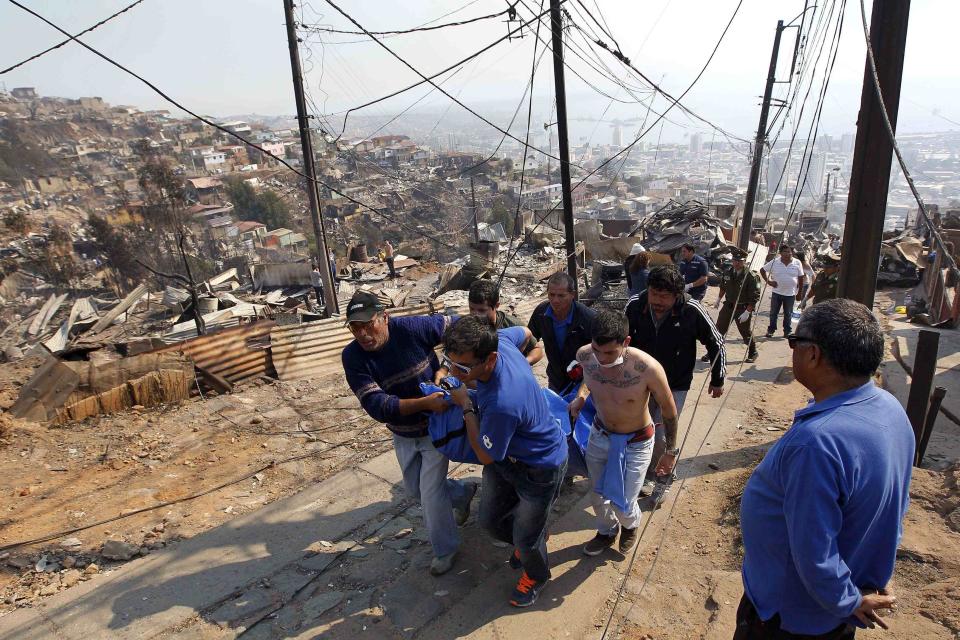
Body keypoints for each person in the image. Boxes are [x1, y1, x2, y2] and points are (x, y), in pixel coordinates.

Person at [736, 299, 913, 639]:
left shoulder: (816, 443)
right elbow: (895, 507)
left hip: (790, 616)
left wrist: (847, 600)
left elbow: (813, 550)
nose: (793, 351)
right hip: (836, 603)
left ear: (813, 354)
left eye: (794, 342)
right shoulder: (888, 407)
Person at [341, 291, 477, 576]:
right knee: (414, 489)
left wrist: (446, 366)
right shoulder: (353, 358)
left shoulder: (412, 328)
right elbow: (377, 405)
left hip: (435, 426)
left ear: (384, 318)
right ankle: (463, 492)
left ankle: (445, 549)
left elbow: (462, 327)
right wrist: (423, 402)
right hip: (403, 432)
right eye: (356, 328)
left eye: (369, 325)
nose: (363, 333)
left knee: (429, 493)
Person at [442, 316, 568, 607]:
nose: (454, 372)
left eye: (462, 367)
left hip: (540, 467)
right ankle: (534, 535)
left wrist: (465, 405)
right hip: (508, 458)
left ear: (490, 359)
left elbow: (485, 455)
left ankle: (536, 575)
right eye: (449, 362)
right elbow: (526, 332)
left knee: (526, 538)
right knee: (489, 521)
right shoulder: (502, 340)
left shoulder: (502, 402)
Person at [568, 309, 678, 556]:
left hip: (636, 442)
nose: (602, 359)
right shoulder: (586, 356)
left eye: (609, 353)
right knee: (597, 494)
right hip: (600, 435)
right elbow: (589, 377)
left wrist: (670, 451)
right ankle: (606, 531)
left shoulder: (647, 368)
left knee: (624, 502)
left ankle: (631, 525)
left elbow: (669, 409)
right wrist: (581, 397)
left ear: (626, 342)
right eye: (597, 350)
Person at [625, 265, 725, 496]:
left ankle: (664, 476)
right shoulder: (635, 306)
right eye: (654, 294)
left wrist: (717, 378)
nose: (658, 301)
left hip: (675, 383)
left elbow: (716, 343)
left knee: (661, 434)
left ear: (677, 295)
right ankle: (648, 473)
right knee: (640, 431)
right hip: (640, 382)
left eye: (665, 296)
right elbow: (620, 340)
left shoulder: (691, 310)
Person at [528, 272, 597, 393]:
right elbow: (529, 340)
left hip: (583, 382)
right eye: (551, 294)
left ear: (572, 295)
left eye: (561, 296)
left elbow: (600, 353)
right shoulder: (541, 313)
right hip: (555, 379)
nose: (555, 300)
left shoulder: (588, 319)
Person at [468, 279, 544, 365]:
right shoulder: (466, 326)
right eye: (472, 309)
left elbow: (537, 350)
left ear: (496, 306)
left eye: (482, 310)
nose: (475, 314)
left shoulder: (512, 325)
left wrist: (521, 364)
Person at [713, 247, 761, 363]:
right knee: (718, 330)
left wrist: (748, 311)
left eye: (740, 261)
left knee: (745, 332)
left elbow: (754, 296)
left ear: (744, 261)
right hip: (728, 306)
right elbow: (723, 287)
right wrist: (718, 299)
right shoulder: (728, 272)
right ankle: (713, 352)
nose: (737, 263)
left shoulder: (751, 276)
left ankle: (753, 351)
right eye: (735, 260)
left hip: (742, 308)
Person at [760, 244, 805, 338]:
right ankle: (771, 330)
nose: (787, 254)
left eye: (789, 252)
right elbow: (762, 270)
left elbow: (801, 278)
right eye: (785, 251)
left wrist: (799, 292)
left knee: (788, 313)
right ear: (780, 253)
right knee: (773, 313)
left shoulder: (797, 263)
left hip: (791, 294)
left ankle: (787, 331)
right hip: (777, 293)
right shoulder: (775, 262)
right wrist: (769, 282)